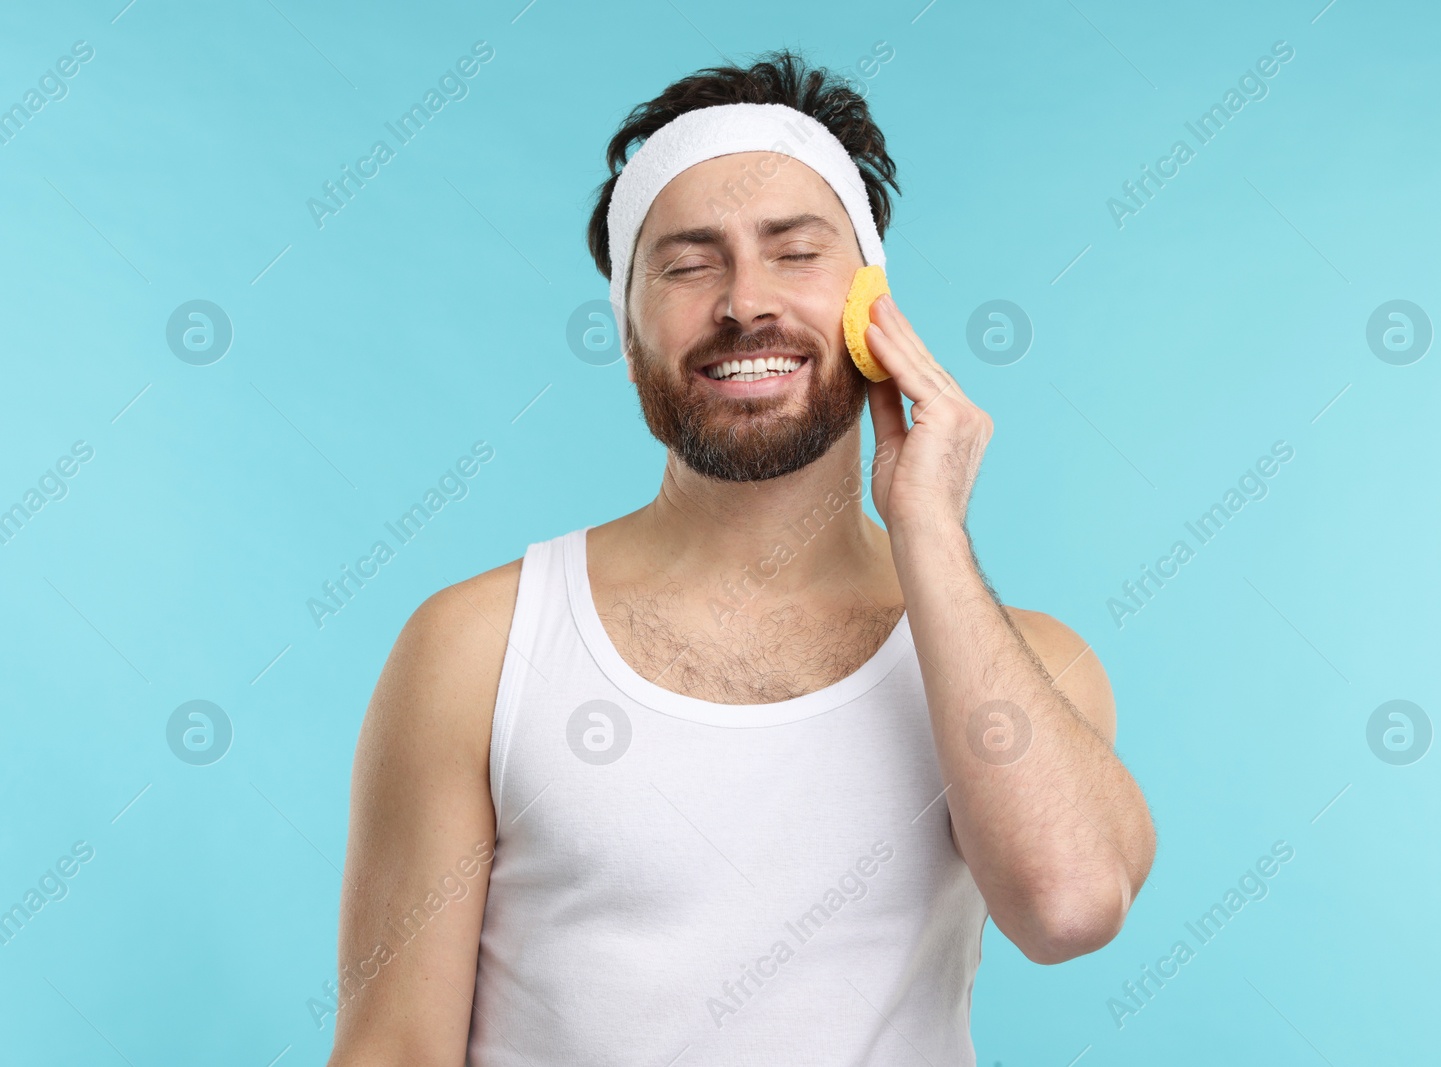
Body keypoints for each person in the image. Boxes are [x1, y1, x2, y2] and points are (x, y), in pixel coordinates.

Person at [325, 48, 1155, 1067]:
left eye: (795, 253)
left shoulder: (1030, 665)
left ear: (875, 307)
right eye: (686, 262)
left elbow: (1069, 906)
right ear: (628, 336)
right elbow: (391, 1049)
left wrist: (927, 526)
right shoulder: (474, 648)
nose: (743, 302)